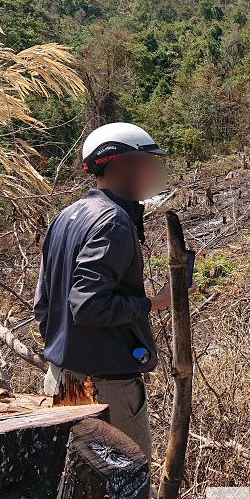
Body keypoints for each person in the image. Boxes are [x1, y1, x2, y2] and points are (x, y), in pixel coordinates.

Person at [34, 122, 172, 465]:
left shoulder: (66, 217)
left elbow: (43, 307)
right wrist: (156, 302)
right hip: (104, 392)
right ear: (119, 165)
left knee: (75, 493)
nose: (151, 174)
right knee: (123, 495)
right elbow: (89, 306)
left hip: (62, 381)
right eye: (145, 164)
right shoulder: (113, 221)